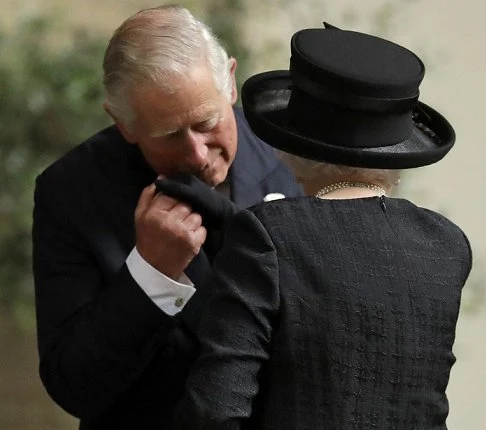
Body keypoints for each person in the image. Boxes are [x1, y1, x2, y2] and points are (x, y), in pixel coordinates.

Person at [161, 24, 473, 429]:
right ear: (398, 151)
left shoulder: (267, 234)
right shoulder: (446, 245)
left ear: (289, 146)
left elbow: (214, 412)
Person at [31, 5, 302, 429]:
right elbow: (73, 386)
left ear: (230, 82)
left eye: (206, 121)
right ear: (125, 125)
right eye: (170, 135)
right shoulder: (72, 191)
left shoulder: (297, 156)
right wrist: (151, 274)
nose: (196, 152)